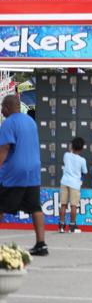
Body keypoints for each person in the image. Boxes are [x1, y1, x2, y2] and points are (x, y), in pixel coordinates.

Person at [0, 95, 48, 255]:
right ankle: (41, 244)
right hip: (33, 171)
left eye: (2, 107)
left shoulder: (8, 123)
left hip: (14, 173)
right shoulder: (30, 122)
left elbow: (4, 149)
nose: (1, 110)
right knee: (35, 207)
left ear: (7, 107)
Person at [58, 136, 88, 234]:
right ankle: (72, 226)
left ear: (72, 146)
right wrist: (80, 180)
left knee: (63, 204)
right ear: (82, 148)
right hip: (75, 183)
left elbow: (66, 160)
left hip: (64, 181)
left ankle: (61, 226)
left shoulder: (66, 155)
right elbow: (85, 172)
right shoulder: (82, 160)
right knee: (73, 205)